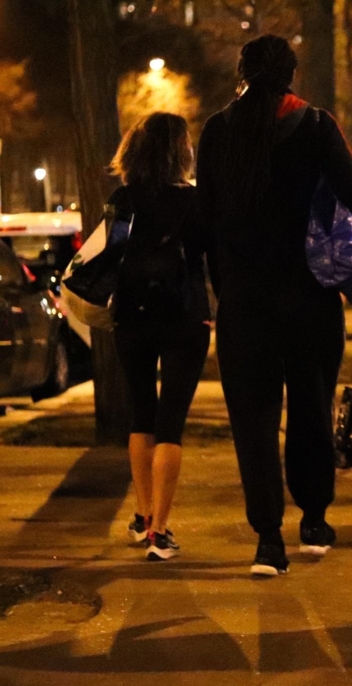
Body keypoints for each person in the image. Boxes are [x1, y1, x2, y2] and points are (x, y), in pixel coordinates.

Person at [196, 35, 352, 576]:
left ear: (243, 73)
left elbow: (204, 217)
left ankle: (267, 538)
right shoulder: (315, 125)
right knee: (310, 405)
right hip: (309, 294)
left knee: (252, 418)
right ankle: (314, 519)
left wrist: (223, 287)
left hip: (244, 300)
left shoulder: (218, 130)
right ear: (292, 74)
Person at [110, 113, 212, 562]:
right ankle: (160, 530)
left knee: (141, 416)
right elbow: (210, 258)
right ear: (181, 152)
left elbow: (108, 254)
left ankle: (141, 513)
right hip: (184, 318)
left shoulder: (122, 198)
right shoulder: (194, 202)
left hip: (131, 317)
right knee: (171, 424)